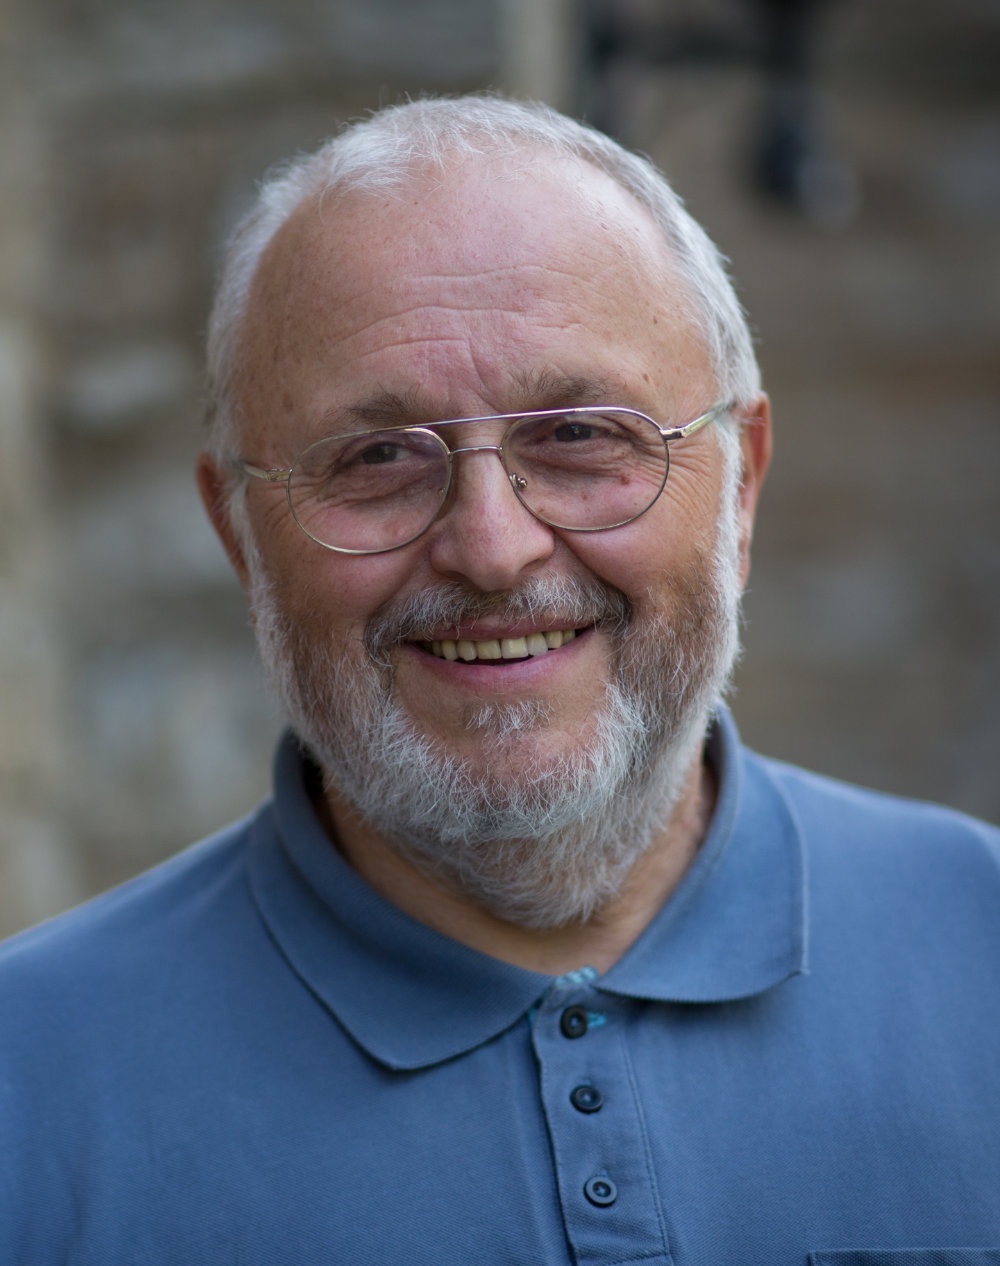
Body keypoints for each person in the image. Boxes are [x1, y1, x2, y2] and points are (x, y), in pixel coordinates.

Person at [1, 95, 998, 1265]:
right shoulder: (30, 1085)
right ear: (240, 536)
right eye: (377, 457)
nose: (491, 547)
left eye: (579, 435)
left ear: (739, 488)